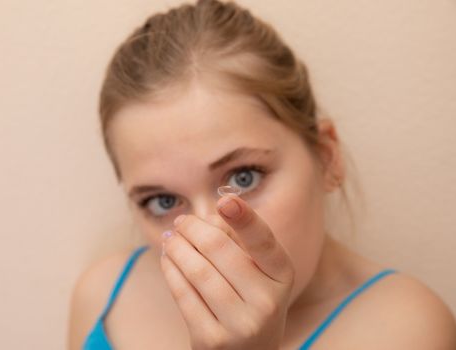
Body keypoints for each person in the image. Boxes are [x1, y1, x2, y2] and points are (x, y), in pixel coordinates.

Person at [68, 0, 456, 349]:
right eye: (163, 201)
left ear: (326, 157)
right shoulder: (102, 296)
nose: (210, 236)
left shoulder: (407, 328)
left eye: (243, 178)